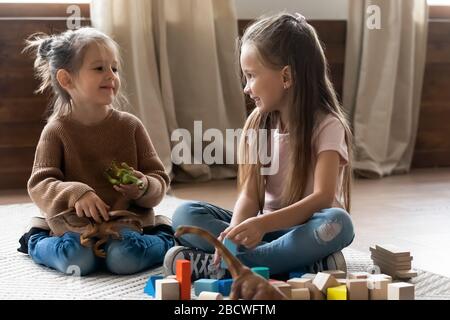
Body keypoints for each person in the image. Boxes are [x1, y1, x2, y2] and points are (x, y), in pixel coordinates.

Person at [164, 13, 355, 281]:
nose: (246, 88)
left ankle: (228, 266)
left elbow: (323, 197)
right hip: (265, 233)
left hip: (304, 229)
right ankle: (301, 266)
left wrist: (262, 224)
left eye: (251, 76)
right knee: (185, 214)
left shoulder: (327, 124)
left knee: (339, 224)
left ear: (286, 76)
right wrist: (232, 234)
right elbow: (250, 196)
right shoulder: (258, 123)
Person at [17, 27, 175, 276]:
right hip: (75, 226)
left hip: (126, 224)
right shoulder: (56, 130)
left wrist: (144, 186)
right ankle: (37, 238)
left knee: (124, 260)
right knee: (77, 262)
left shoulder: (130, 126)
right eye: (99, 68)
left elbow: (158, 178)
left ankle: (164, 235)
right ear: (66, 79)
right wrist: (76, 193)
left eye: (114, 68)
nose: (111, 75)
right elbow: (40, 184)